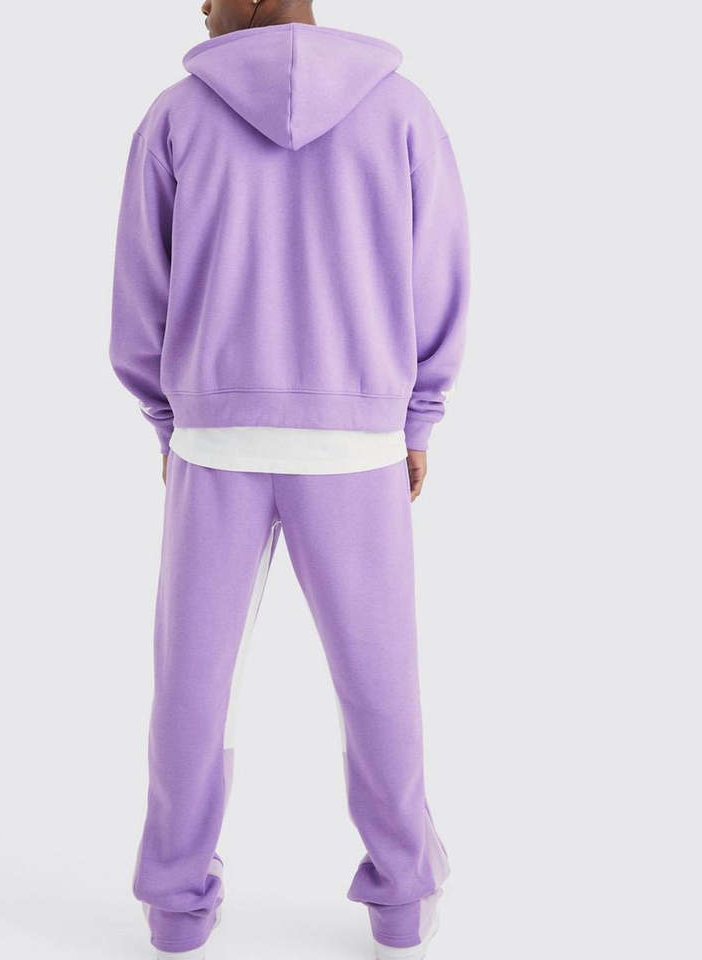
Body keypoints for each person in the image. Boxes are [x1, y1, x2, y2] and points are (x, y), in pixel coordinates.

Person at [110, 1, 469, 957]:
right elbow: (438, 272)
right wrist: (418, 413)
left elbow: (142, 289)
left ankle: (176, 907)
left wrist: (168, 417)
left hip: (216, 439)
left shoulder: (176, 116)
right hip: (355, 444)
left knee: (192, 682)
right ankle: (402, 900)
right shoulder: (402, 110)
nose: (199, 4)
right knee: (379, 676)